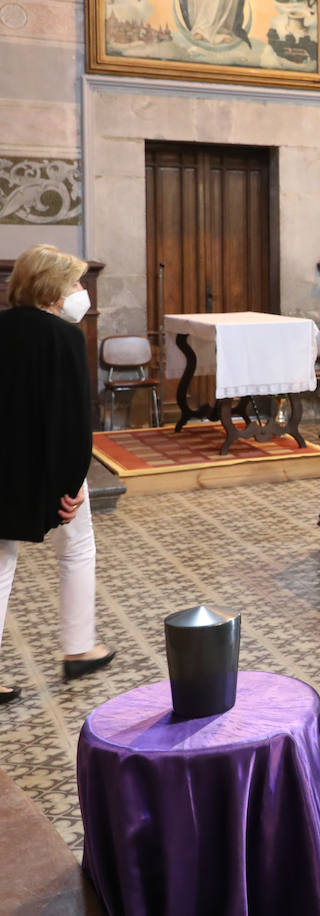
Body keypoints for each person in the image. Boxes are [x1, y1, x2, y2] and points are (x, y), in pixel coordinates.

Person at [0, 244, 117, 704]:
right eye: (74, 283)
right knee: (77, 548)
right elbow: (71, 420)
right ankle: (79, 647)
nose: (81, 291)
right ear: (51, 288)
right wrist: (72, 486)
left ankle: (79, 647)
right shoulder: (63, 337)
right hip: (45, 470)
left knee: (1, 564)